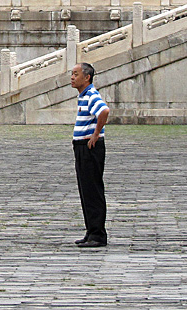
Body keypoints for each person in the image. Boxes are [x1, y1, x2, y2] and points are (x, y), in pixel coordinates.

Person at [71, 62, 110, 249]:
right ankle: (91, 230)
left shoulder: (92, 95)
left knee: (92, 190)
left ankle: (98, 234)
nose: (72, 77)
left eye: (76, 74)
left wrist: (95, 134)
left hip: (89, 147)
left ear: (87, 77)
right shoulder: (83, 96)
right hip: (81, 146)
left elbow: (104, 111)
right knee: (85, 190)